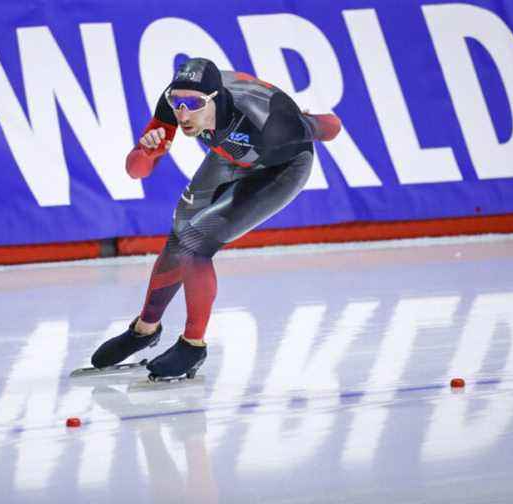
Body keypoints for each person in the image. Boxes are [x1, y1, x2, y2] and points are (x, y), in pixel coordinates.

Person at [91, 58, 341, 380]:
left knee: (196, 244)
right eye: (176, 102)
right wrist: (148, 152)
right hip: (228, 155)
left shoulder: (271, 121)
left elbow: (329, 129)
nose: (182, 113)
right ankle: (145, 329)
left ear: (214, 98)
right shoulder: (178, 100)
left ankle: (193, 346)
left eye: (193, 104)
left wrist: (306, 118)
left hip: (280, 168)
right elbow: (134, 170)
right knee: (179, 234)